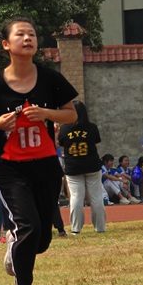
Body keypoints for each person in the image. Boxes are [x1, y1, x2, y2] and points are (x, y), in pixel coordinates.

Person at [0, 16, 78, 285]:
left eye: (32, 34)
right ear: (6, 44)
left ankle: (14, 243)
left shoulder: (50, 79)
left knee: (41, 239)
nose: (28, 38)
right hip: (9, 169)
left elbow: (71, 114)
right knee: (28, 227)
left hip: (46, 166)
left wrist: (47, 113)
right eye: (20, 34)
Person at [58, 100, 107, 235]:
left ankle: (76, 229)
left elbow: (61, 144)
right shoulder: (92, 127)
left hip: (73, 167)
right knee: (96, 197)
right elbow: (95, 145)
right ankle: (100, 228)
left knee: (76, 197)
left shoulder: (65, 128)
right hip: (92, 165)